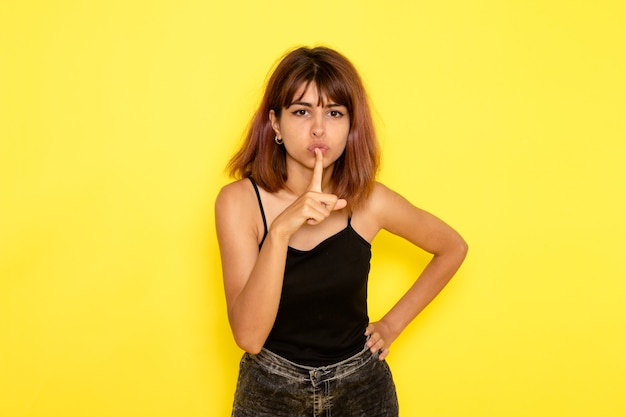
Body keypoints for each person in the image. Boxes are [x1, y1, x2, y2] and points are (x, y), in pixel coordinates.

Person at [215, 46, 468, 417]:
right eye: (302, 112)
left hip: (362, 389)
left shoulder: (370, 201)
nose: (319, 128)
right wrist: (283, 228)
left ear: (351, 125)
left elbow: (452, 247)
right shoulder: (238, 202)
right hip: (270, 390)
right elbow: (249, 337)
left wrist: (393, 324)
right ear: (275, 123)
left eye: (334, 113)